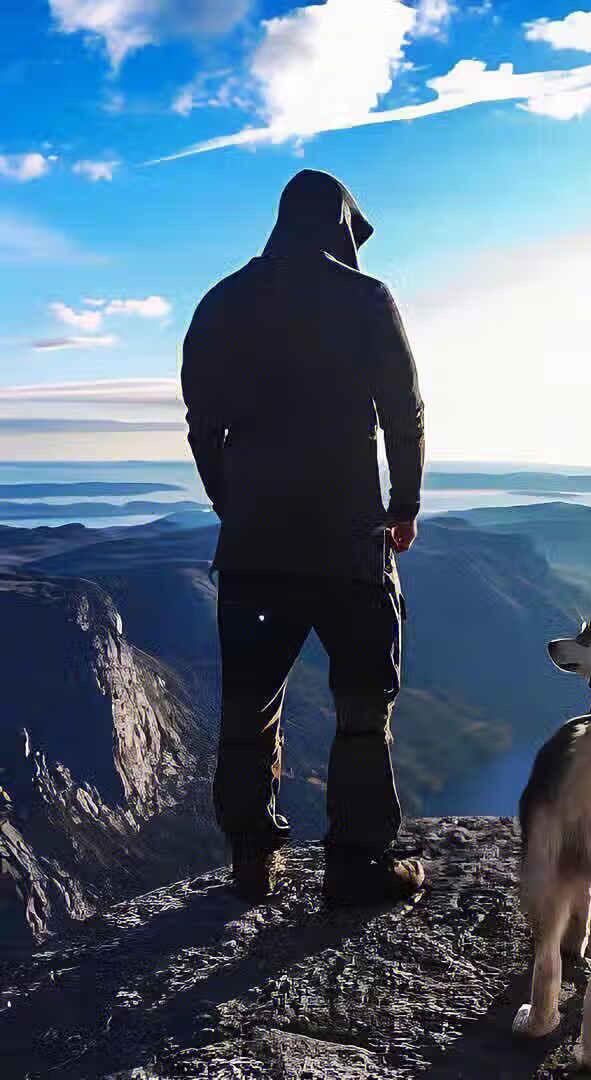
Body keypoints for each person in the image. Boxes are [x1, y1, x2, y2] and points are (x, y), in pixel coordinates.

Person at [181, 169, 425, 905]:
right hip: (351, 540)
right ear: (340, 227)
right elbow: (405, 412)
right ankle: (357, 864)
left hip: (256, 544)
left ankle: (252, 861)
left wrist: (236, 506)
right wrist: (403, 504)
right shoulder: (365, 298)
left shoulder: (223, 301)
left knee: (249, 703)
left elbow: (203, 426)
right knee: (362, 701)